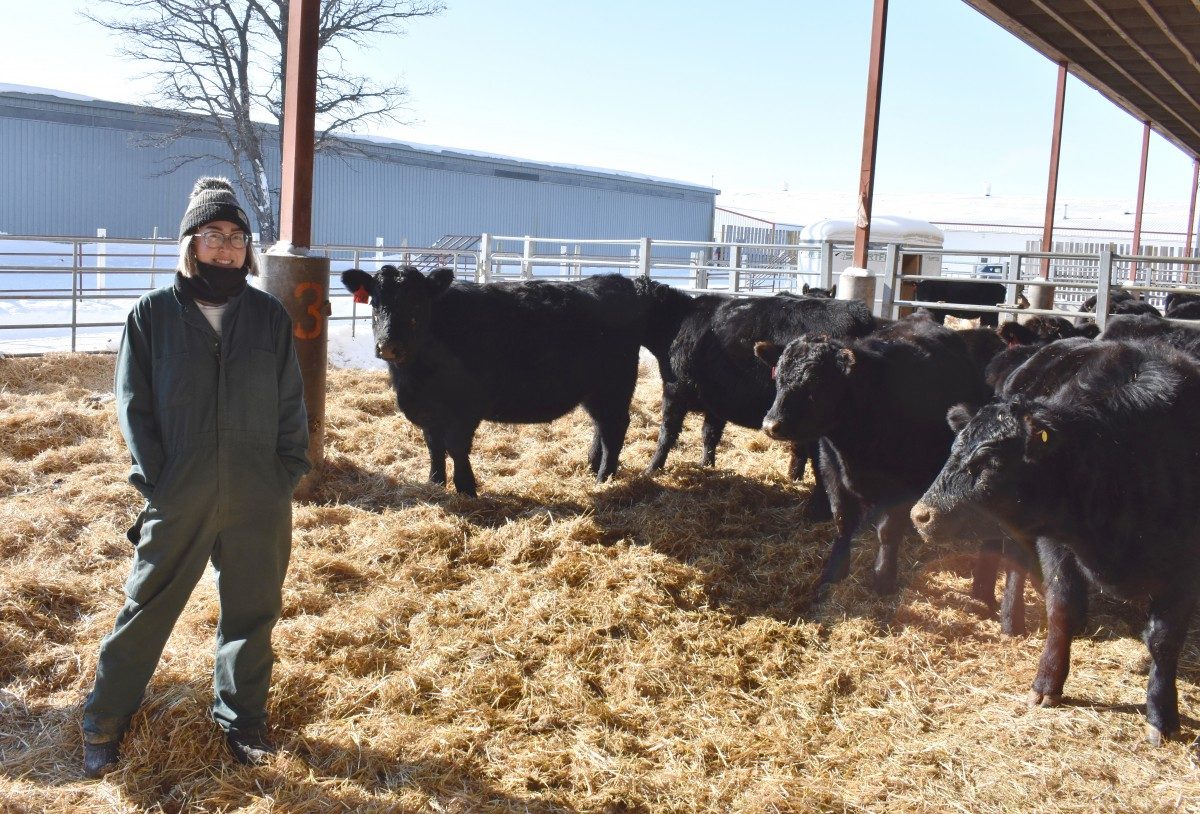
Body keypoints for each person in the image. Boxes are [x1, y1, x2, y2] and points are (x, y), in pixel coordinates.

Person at [82, 177, 311, 778]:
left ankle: (243, 723)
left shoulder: (268, 316)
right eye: (213, 235)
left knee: (253, 612)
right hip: (180, 488)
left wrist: (286, 470)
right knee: (148, 606)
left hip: (258, 491)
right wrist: (160, 479)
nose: (227, 247)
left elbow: (292, 400)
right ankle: (102, 723)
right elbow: (135, 406)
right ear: (191, 243)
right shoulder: (153, 315)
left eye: (236, 237)